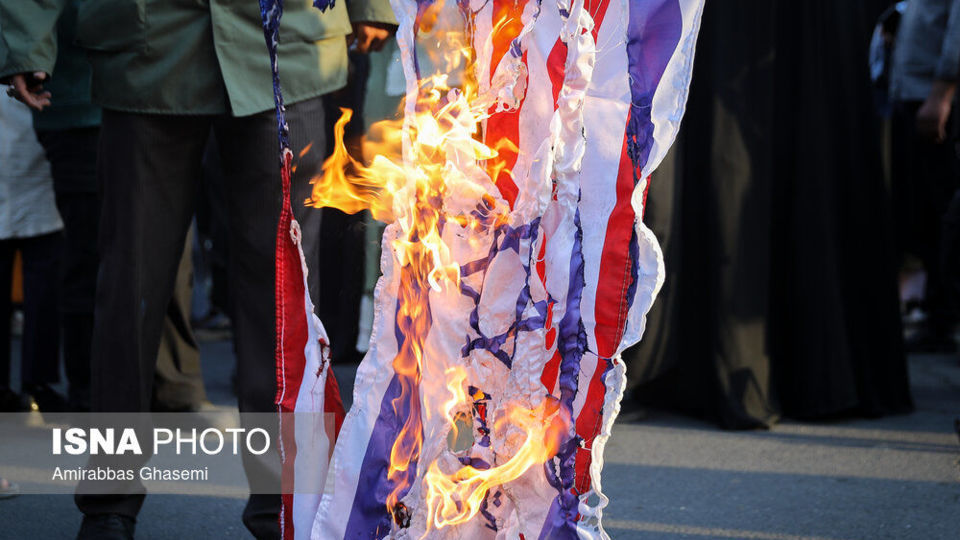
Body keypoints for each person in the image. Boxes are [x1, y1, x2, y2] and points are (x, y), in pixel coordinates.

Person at [1, 1, 395, 539]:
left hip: (284, 46)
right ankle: (109, 499)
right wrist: (25, 37)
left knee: (284, 297)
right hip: (148, 53)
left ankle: (286, 502)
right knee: (129, 289)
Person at [889, 0, 960, 352]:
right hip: (913, 94)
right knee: (925, 216)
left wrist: (942, 92)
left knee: (949, 216)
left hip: (938, 101)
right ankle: (938, 318)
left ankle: (947, 316)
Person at [0, 94, 67, 413]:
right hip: (34, 143)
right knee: (44, 280)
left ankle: (37, 382)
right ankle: (33, 383)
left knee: (45, 283)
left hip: (38, 154)